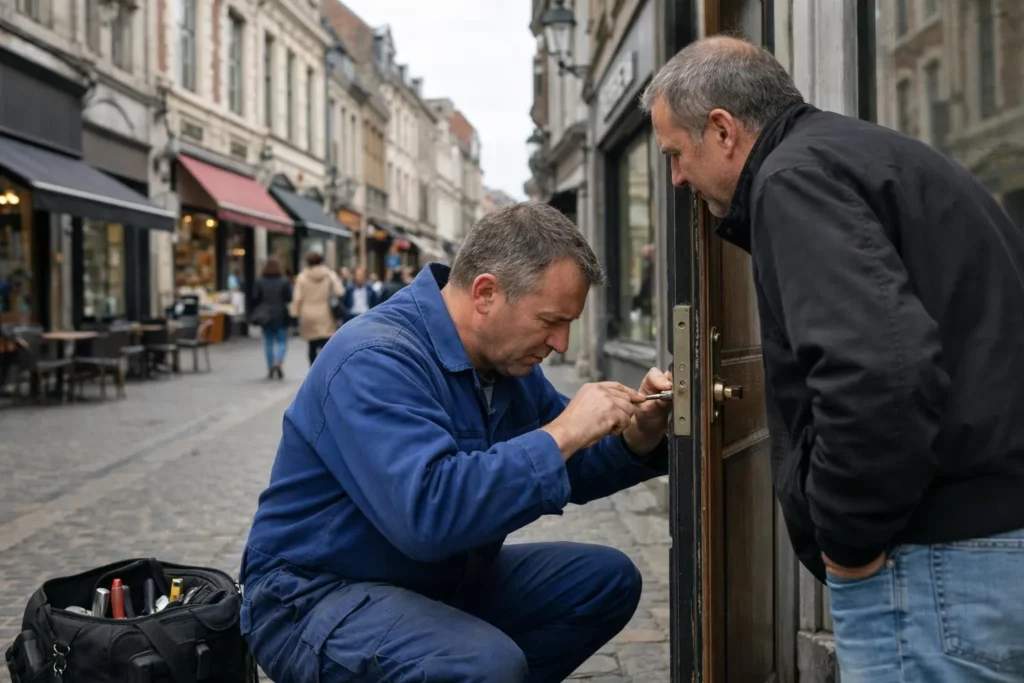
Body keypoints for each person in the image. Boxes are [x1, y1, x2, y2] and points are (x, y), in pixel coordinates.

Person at [642, 36, 1024, 682]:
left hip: (936, 561)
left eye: (676, 154)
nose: (677, 177)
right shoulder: (862, 154)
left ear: (723, 130)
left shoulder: (795, 179)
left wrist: (846, 545)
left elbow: (878, 374)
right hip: (985, 545)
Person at [239, 202, 674, 683]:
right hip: (313, 598)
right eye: (550, 320)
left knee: (604, 581)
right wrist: (563, 430)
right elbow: (428, 515)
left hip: (435, 579)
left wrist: (640, 434)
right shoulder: (374, 358)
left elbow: (570, 465)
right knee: (480, 664)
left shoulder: (506, 362)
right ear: (486, 293)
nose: (562, 344)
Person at [290, 251, 344, 366]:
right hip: (325, 313)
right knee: (326, 345)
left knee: (312, 345)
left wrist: (294, 314)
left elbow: (297, 298)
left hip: (307, 314)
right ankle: (325, 369)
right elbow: (340, 291)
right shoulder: (329, 274)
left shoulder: (302, 277)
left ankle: (312, 370)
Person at [250, 258, 292, 379]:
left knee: (268, 342)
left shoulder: (260, 281)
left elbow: (255, 298)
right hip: (280, 315)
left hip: (265, 316)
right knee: (282, 341)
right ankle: (278, 362)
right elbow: (289, 297)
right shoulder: (284, 281)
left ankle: (270, 366)